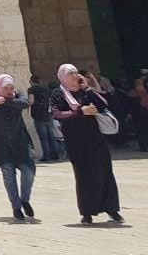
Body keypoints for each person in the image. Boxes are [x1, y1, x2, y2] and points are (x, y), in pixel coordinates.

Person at [51, 64, 122, 225]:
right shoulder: (58, 94)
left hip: (96, 139)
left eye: (76, 72)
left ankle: (112, 209)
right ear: (62, 76)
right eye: (71, 73)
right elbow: (57, 114)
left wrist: (88, 89)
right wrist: (80, 112)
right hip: (76, 142)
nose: (75, 75)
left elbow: (103, 105)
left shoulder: (85, 91)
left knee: (105, 172)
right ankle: (87, 212)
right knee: (84, 175)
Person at [0, 74, 36, 220]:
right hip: (0, 144)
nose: (10, 90)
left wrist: (5, 100)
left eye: (11, 87)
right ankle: (16, 207)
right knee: (9, 176)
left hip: (20, 142)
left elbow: (24, 103)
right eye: (6, 88)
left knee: (28, 172)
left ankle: (25, 199)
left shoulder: (18, 96)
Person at [26, 75, 59, 162]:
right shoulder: (46, 89)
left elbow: (31, 101)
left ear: (31, 81)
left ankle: (46, 155)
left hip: (38, 115)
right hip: (48, 114)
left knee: (43, 137)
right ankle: (56, 154)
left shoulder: (32, 89)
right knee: (51, 135)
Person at [130, 78, 148, 153]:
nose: (139, 86)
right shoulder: (133, 93)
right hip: (141, 113)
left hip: (143, 111)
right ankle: (144, 146)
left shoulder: (144, 92)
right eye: (138, 84)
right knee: (142, 130)